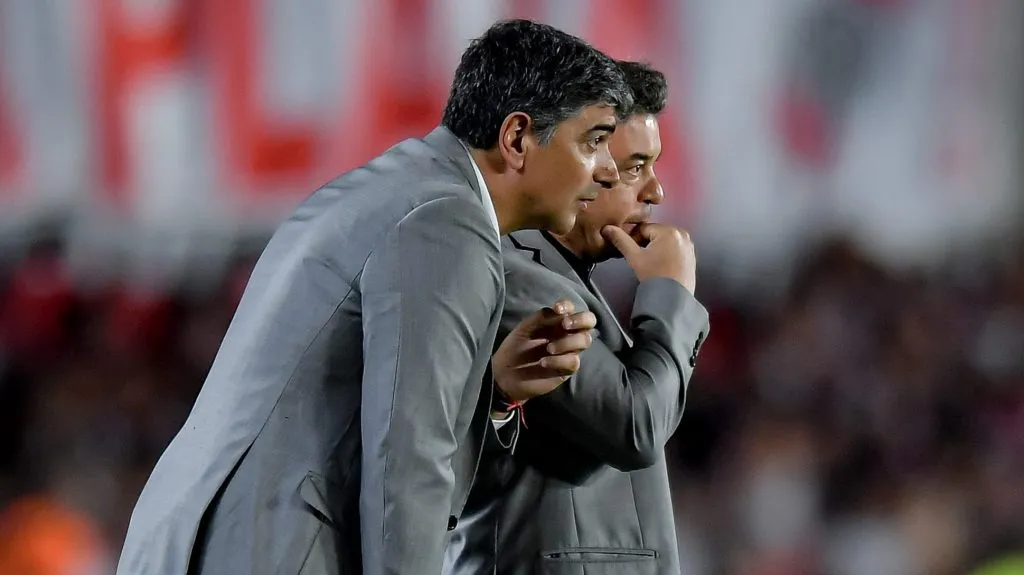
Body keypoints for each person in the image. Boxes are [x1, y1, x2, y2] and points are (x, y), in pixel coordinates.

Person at [115, 20, 632, 575]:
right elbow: (406, 468)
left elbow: (362, 419)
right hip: (272, 547)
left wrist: (496, 394)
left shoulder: (391, 188)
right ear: (516, 138)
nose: (607, 171)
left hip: (208, 536)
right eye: (594, 140)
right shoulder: (448, 222)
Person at [443, 61, 709, 575]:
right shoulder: (513, 272)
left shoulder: (564, 273)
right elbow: (636, 424)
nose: (655, 192)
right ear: (585, 163)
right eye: (634, 167)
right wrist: (669, 292)